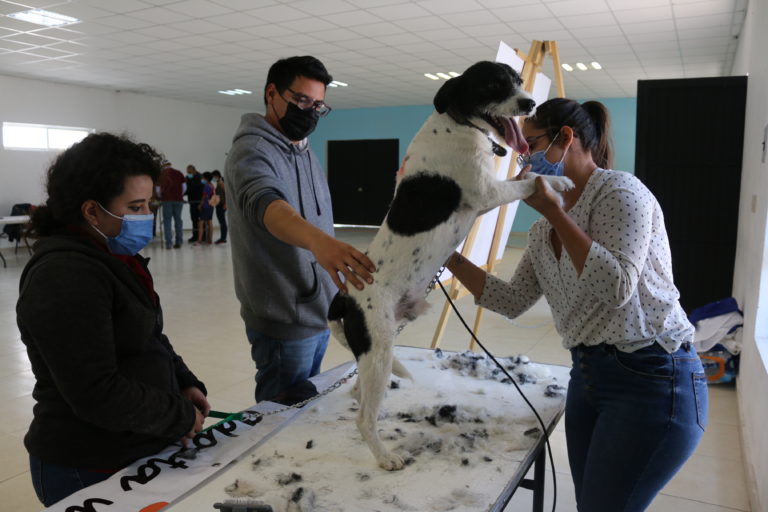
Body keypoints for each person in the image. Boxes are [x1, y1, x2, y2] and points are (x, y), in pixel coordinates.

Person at [445, 98, 707, 511]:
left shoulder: (620, 192)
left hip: (652, 376)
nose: (525, 161)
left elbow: (616, 288)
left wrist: (555, 214)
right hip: (587, 377)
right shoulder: (542, 230)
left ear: (565, 138)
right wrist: (445, 253)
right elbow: (512, 300)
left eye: (531, 146)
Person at [16, 133, 210, 507]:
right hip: (89, 464)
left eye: (149, 204)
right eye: (135, 206)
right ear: (92, 211)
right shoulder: (64, 275)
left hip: (134, 445)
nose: (147, 216)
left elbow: (148, 335)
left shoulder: (114, 256)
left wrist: (183, 381)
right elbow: (95, 391)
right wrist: (177, 415)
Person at [225, 55, 375, 404]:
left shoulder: (301, 148)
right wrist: (319, 243)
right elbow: (267, 204)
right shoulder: (252, 150)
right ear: (272, 94)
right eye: (302, 100)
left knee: (304, 406)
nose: (310, 112)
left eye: (318, 105)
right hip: (284, 317)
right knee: (280, 416)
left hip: (317, 308)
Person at [157, 161, 186, 249]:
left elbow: (157, 189)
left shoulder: (161, 174)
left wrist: (161, 196)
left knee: (167, 221)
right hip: (178, 200)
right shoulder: (179, 173)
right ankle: (179, 242)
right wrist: (179, 195)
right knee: (178, 220)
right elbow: (184, 187)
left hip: (166, 200)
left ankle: (169, 243)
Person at [194, 171, 215, 246]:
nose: (202, 179)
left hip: (206, 206)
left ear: (206, 178)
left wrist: (200, 205)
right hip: (211, 205)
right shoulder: (212, 185)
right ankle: (210, 239)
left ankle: (199, 240)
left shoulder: (206, 186)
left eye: (203, 177)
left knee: (200, 223)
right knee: (210, 222)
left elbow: (204, 197)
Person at [185, 164, 204, 242]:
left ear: (194, 171)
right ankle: (195, 236)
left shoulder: (200, 177)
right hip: (192, 202)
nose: (188, 174)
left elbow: (200, 188)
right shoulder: (187, 178)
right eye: (188, 172)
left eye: (190, 172)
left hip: (200, 201)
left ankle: (203, 236)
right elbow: (186, 189)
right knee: (194, 219)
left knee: (202, 219)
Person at [211, 169, 227, 244]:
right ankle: (222, 237)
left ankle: (223, 238)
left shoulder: (221, 182)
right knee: (221, 221)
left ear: (216, 176)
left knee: (222, 221)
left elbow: (226, 192)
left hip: (222, 205)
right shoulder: (218, 182)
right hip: (219, 204)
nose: (213, 178)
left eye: (213, 177)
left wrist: (226, 203)